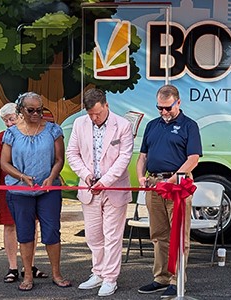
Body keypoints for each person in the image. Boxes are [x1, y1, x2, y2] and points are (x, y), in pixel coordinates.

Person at [66, 88, 134, 297]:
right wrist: (86, 175)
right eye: (90, 114)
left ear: (106, 105)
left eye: (98, 113)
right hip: (89, 188)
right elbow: (72, 153)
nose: (94, 118)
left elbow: (125, 158)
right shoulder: (79, 124)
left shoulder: (123, 125)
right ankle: (98, 272)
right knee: (94, 235)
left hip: (114, 189)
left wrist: (105, 181)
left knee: (112, 236)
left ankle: (110, 278)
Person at [136, 84, 202, 297]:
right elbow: (143, 156)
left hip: (176, 187)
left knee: (179, 235)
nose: (164, 112)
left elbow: (193, 159)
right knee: (158, 234)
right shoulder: (152, 125)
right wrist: (140, 176)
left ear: (178, 103)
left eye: (168, 108)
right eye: (160, 108)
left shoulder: (189, 126)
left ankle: (177, 280)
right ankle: (161, 277)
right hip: (155, 185)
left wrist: (173, 179)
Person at [1, 92, 70, 291]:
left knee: (51, 232)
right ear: (20, 110)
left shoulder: (53, 130)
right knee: (25, 233)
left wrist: (51, 177)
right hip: (20, 191)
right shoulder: (12, 133)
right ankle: (28, 275)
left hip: (49, 190)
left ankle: (56, 274)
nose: (36, 113)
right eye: (31, 110)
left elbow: (59, 159)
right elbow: (5, 163)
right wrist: (22, 176)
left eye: (40, 110)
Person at [0, 103, 48, 283]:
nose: (8, 123)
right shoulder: (0, 137)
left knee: (31, 225)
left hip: (31, 187)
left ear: (21, 116)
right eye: (5, 120)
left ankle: (29, 266)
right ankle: (12, 268)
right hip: (8, 188)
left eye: (11, 119)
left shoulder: (36, 132)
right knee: (10, 226)